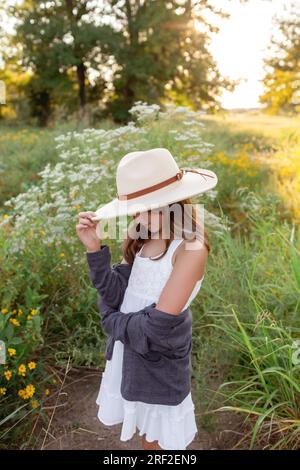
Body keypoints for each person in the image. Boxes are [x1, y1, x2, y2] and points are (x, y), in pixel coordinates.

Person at [76, 148, 218, 450]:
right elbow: (115, 294)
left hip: (159, 361)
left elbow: (156, 326)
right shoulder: (142, 233)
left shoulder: (190, 248)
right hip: (129, 351)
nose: (138, 217)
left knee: (158, 440)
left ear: (174, 200)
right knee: (145, 433)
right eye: (134, 209)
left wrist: (110, 319)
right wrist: (94, 248)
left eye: (146, 208)